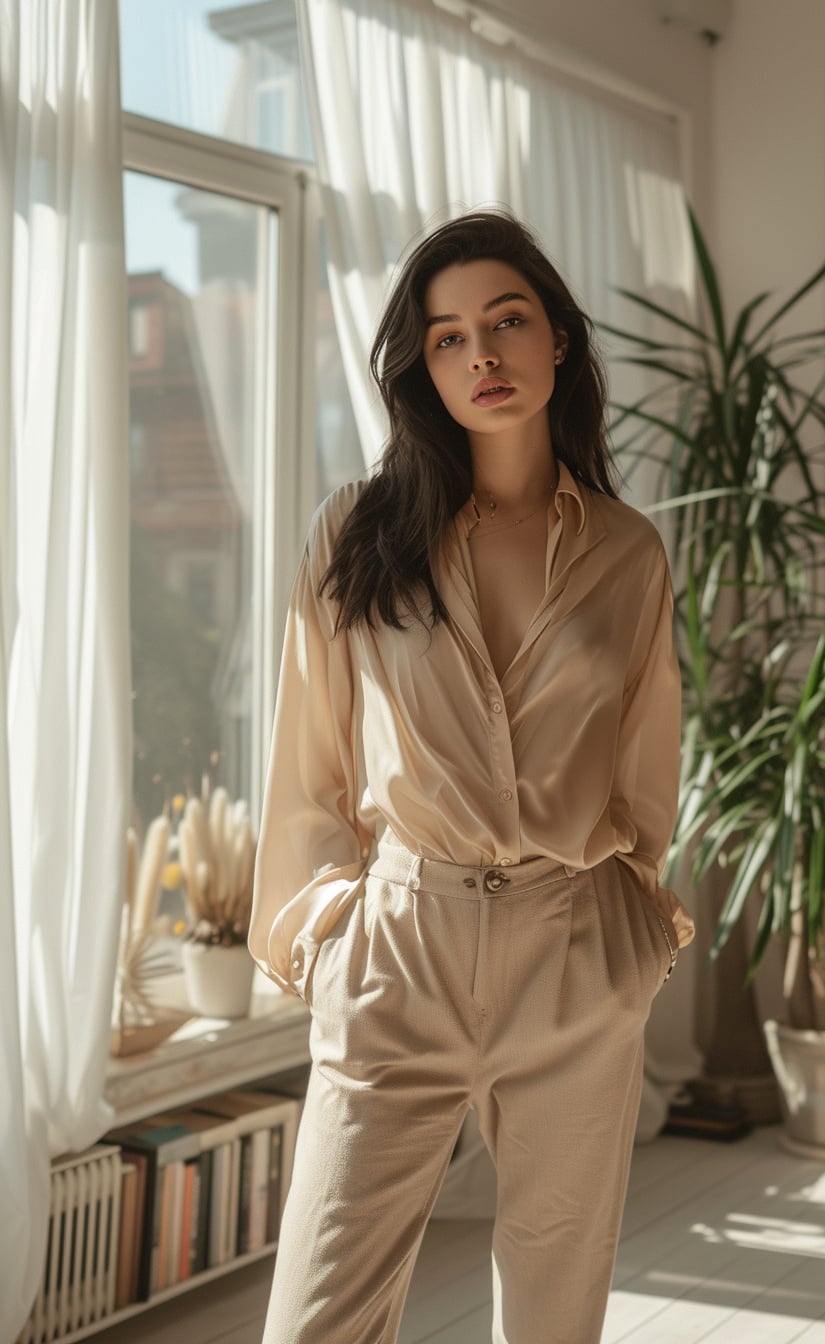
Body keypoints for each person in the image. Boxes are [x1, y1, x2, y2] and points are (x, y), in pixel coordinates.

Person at [249, 209, 695, 1344]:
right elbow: (309, 767)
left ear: (558, 343)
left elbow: (647, 775)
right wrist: (327, 937)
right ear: (420, 366)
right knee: (318, 1315)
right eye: (446, 337)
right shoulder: (355, 533)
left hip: (571, 949)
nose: (481, 356)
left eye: (505, 322)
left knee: (555, 1313)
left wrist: (632, 934)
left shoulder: (626, 552)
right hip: (400, 946)